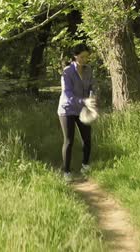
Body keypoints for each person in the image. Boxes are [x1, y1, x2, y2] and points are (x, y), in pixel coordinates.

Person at [57, 44, 97, 182]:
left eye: (87, 57)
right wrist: (83, 101)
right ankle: (66, 172)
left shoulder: (89, 70)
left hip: (82, 109)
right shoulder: (67, 72)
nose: (85, 59)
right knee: (69, 141)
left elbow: (92, 85)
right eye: (82, 57)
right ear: (75, 56)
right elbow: (67, 94)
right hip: (67, 109)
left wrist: (92, 97)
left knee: (87, 139)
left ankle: (85, 166)